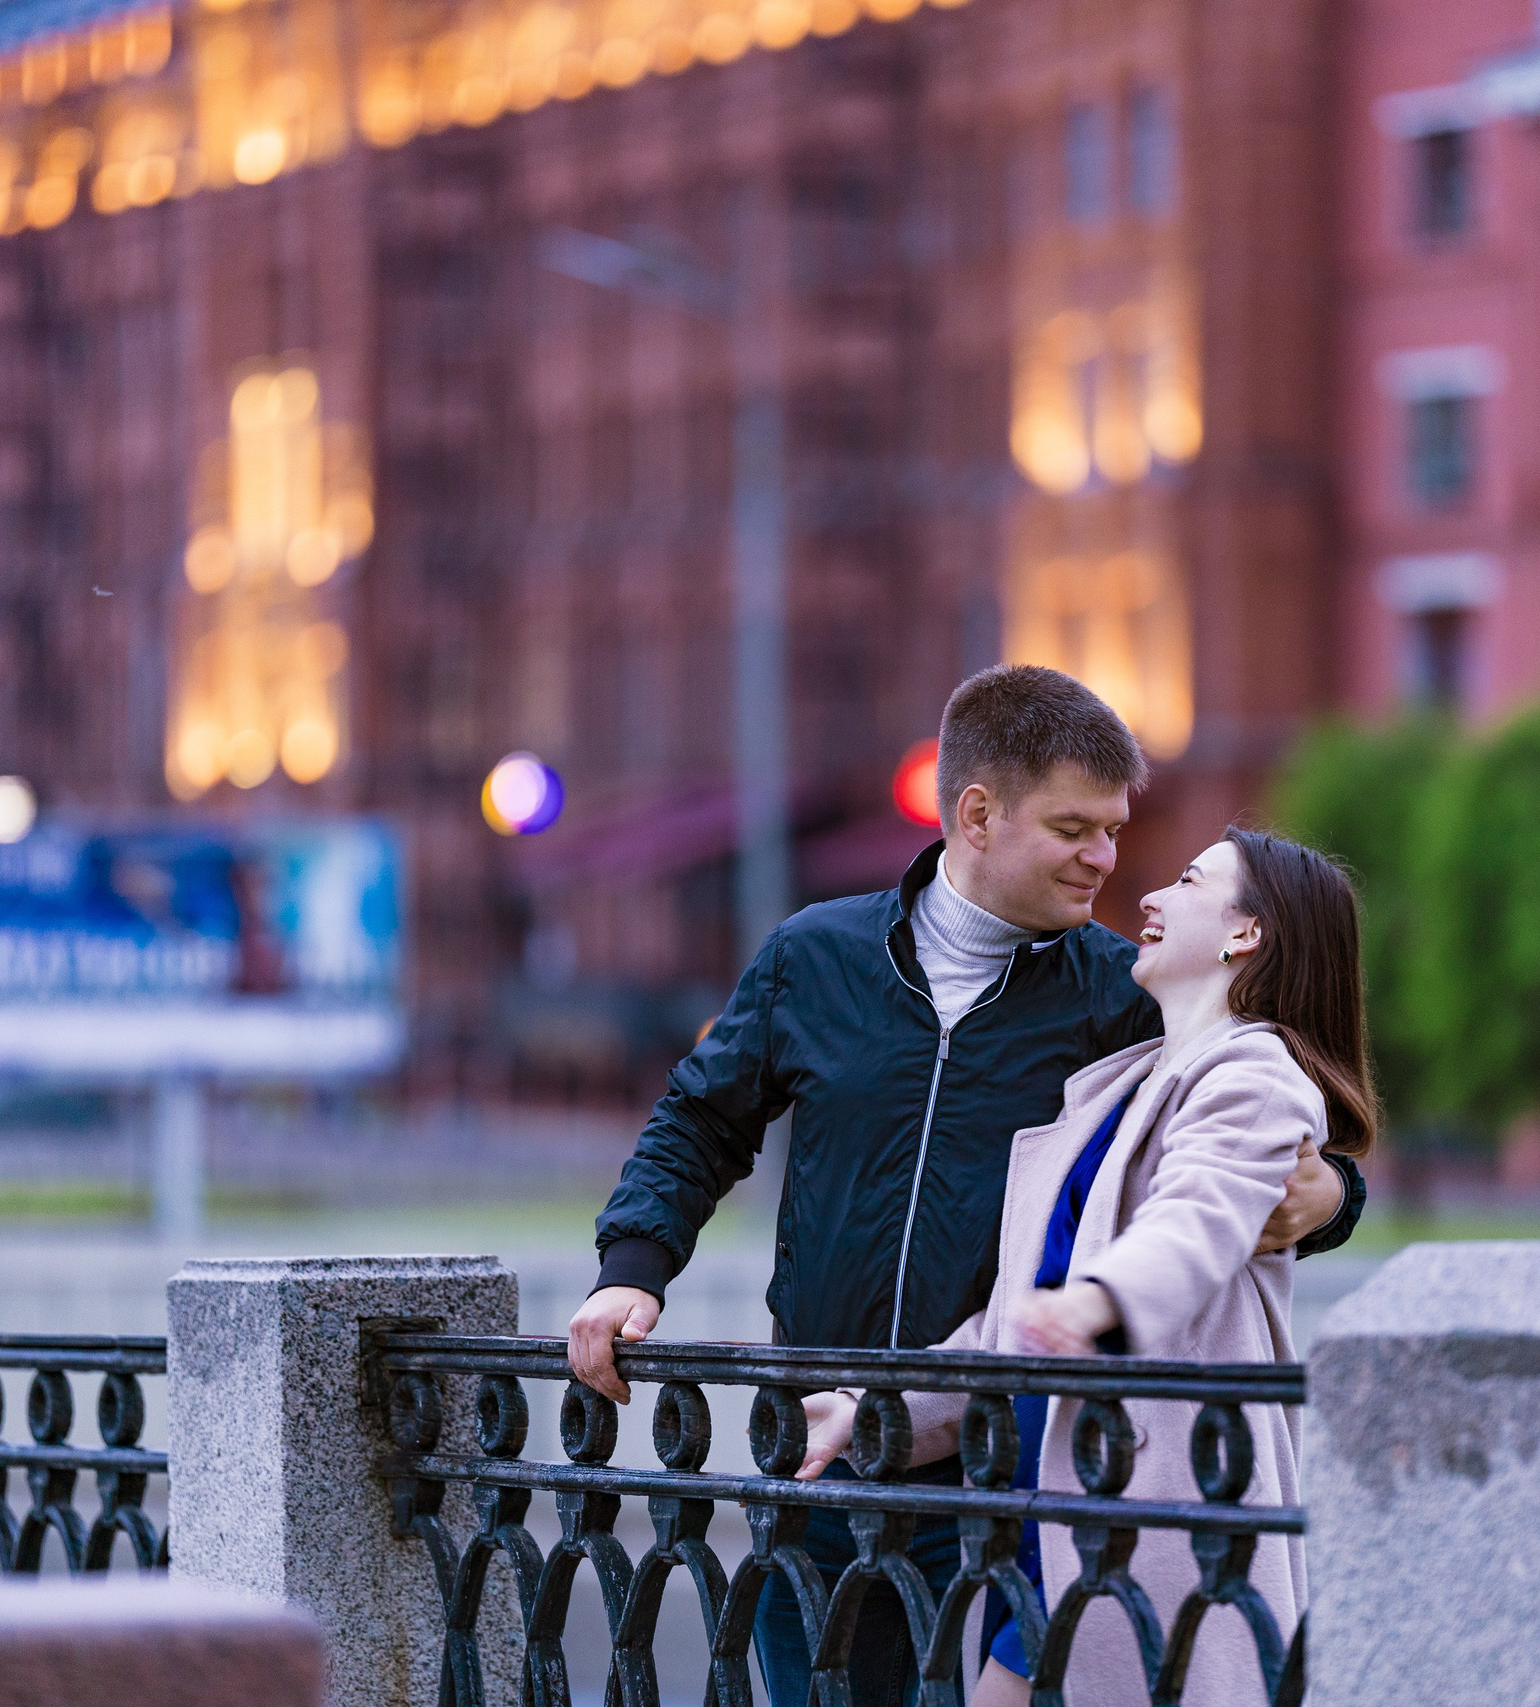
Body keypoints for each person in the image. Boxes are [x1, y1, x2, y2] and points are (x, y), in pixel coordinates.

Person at [568, 666, 1368, 1707]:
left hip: (995, 1483)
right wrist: (632, 1268)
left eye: (1114, 830)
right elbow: (699, 1119)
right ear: (978, 814)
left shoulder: (1116, 1000)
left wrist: (1333, 1202)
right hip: (817, 1457)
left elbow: (1237, 1141)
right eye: (1075, 828)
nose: (1107, 859)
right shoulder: (814, 957)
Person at [797, 828, 1375, 1704]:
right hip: (1055, 1536)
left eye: (1188, 881)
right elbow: (1008, 1326)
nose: (1150, 894)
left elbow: (1200, 1217)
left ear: (1244, 933)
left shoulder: (1254, 1073)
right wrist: (873, 1413)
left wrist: (1102, 1299)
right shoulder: (1115, 1089)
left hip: (1154, 1530)